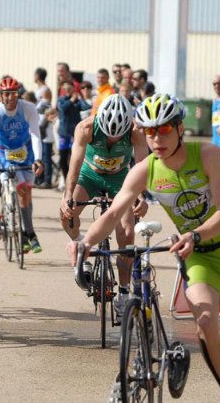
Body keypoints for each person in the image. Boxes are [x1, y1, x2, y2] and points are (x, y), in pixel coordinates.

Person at [72, 93, 220, 403]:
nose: (156, 138)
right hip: (198, 258)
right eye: (150, 131)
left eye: (164, 129)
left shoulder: (207, 154)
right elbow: (111, 215)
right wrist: (84, 242)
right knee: (205, 322)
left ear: (180, 128)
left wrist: (194, 234)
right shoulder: (146, 169)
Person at [59, 94, 148, 320]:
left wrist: (141, 196)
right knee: (66, 213)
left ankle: (124, 294)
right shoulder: (86, 127)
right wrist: (68, 195)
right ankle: (79, 246)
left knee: (127, 234)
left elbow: (142, 166)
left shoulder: (136, 132)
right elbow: (75, 163)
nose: (113, 138)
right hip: (90, 175)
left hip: (120, 179)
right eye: (109, 134)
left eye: (117, 135)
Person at [0, 76, 44, 253]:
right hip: (5, 156)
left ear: (18, 95)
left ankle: (25, 232)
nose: (10, 98)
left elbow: (35, 135)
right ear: (1, 96)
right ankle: (30, 234)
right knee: (21, 189)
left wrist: (38, 159)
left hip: (26, 154)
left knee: (27, 196)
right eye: (6, 94)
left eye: (14, 94)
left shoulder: (28, 108)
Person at [56, 80, 87, 181]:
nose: (67, 90)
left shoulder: (77, 100)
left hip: (75, 134)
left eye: (69, 88)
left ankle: (74, 180)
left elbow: (86, 107)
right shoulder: (61, 99)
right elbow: (63, 109)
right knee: (63, 159)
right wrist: (71, 100)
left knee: (74, 159)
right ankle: (66, 179)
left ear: (74, 89)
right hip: (64, 134)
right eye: (65, 89)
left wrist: (81, 98)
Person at [36, 100, 57, 189]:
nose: (51, 116)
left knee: (47, 161)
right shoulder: (44, 120)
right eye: (49, 115)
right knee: (44, 161)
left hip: (48, 141)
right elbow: (41, 128)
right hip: (45, 141)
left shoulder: (51, 120)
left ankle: (47, 181)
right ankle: (41, 180)